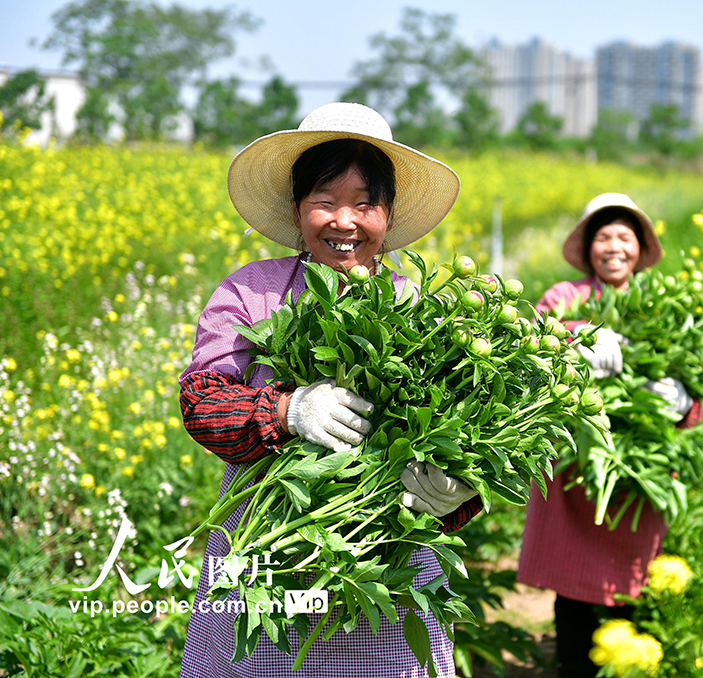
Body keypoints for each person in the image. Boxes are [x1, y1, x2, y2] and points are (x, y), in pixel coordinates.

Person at [179, 102, 480, 678]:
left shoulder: (425, 311)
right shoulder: (252, 293)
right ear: (298, 212)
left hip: (382, 568)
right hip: (261, 557)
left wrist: (452, 498)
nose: (345, 221)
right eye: (325, 201)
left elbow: (458, 437)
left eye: (365, 204)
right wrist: (289, 410)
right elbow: (201, 402)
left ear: (388, 218)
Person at [516, 193, 703, 678]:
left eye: (624, 236)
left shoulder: (665, 304)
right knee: (572, 590)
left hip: (637, 469)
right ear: (588, 248)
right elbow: (537, 338)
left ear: (640, 247)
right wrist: (579, 337)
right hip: (576, 462)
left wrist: (684, 401)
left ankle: (626, 666)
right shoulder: (566, 295)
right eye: (603, 237)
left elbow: (696, 386)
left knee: (630, 585)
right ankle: (573, 668)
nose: (613, 247)